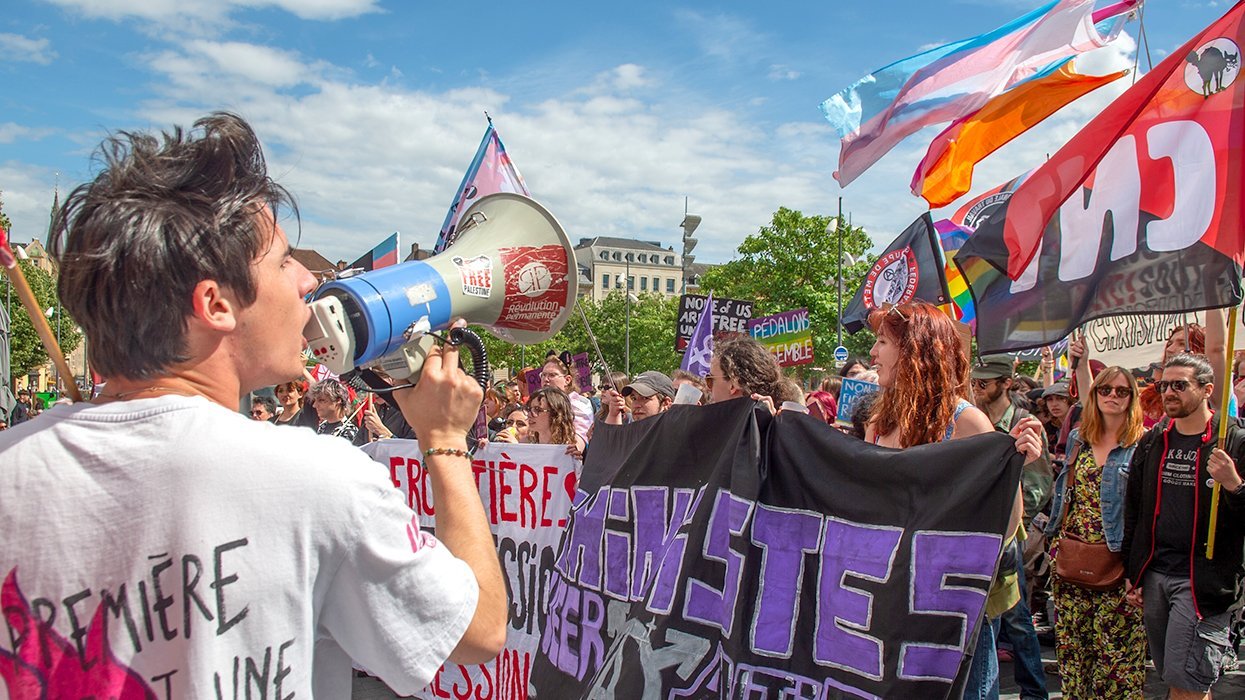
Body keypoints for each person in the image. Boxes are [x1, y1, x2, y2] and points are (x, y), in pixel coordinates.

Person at [0, 112, 505, 696]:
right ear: (215, 304)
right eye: (284, 261)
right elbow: (479, 631)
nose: (306, 284)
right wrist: (444, 442)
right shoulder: (317, 479)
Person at [865, 302, 1040, 700]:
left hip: (952, 610)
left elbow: (1007, 527)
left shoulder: (966, 423)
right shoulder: (878, 425)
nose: (873, 354)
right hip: (890, 601)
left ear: (916, 350)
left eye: (881, 342)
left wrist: (1011, 471)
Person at [1123, 353, 1245, 700]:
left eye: (1180, 385)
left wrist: (1234, 484)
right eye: (1164, 385)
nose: (1169, 392)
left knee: (1186, 683)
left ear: (1207, 389)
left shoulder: (1232, 441)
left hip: (1201, 583)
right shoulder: (1153, 441)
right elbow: (1135, 509)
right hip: (1156, 575)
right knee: (1179, 681)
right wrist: (1134, 570)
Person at [1044, 351, 1147, 698]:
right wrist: (1053, 544)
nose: (1112, 397)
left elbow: (1147, 511)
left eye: (1122, 391)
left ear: (1133, 397)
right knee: (1075, 657)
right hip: (1072, 560)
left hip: (1118, 565)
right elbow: (1065, 495)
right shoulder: (1078, 438)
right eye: (1105, 390)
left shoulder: (1143, 444)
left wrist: (1142, 569)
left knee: (1117, 663)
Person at [970, 355, 1050, 700]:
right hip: (978, 535)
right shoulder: (973, 419)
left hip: (1007, 536)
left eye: (984, 383)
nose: (977, 389)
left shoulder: (1025, 422)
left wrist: (1012, 516)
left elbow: (1039, 485)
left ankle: (1034, 691)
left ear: (1005, 383)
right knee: (987, 620)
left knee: (1016, 618)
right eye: (975, 382)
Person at [706, 336, 784, 404]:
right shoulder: (784, 419)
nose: (708, 389)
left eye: (709, 380)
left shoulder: (779, 419)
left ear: (733, 385)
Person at [539, 354, 593, 443]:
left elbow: (580, 438)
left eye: (552, 375)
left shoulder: (579, 405)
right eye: (543, 375)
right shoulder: (537, 404)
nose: (546, 379)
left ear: (567, 380)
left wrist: (575, 447)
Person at [526, 388, 586, 455]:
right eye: (529, 409)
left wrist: (574, 461)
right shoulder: (524, 445)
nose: (529, 415)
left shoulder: (570, 449)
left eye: (538, 409)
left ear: (555, 414)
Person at [307, 379, 367, 446]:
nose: (314, 405)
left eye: (321, 400)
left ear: (338, 401)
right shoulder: (321, 427)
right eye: (315, 400)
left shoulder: (349, 432)